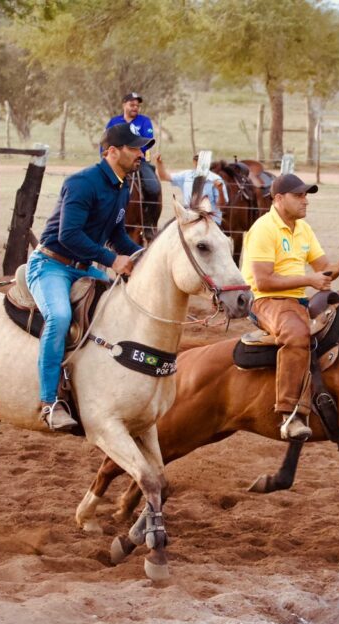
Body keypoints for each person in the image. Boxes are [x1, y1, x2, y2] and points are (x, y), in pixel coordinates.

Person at [27, 123, 145, 430]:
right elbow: (68, 235)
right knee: (60, 317)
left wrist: (141, 256)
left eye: (141, 148)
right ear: (111, 151)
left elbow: (117, 234)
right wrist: (111, 260)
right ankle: (49, 402)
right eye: (134, 148)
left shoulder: (122, 187)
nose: (141, 154)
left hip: (82, 267)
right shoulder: (82, 183)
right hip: (51, 264)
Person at [241, 173, 339, 441]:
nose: (306, 201)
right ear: (279, 199)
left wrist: (338, 267)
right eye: (299, 196)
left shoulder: (303, 228)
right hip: (265, 300)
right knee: (296, 335)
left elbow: (322, 270)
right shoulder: (263, 228)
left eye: (306, 195)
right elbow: (263, 281)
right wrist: (309, 280)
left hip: (297, 299)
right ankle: (290, 414)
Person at [105, 92, 160, 223]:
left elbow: (147, 141)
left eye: (137, 105)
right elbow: (105, 141)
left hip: (139, 162)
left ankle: (149, 223)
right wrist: (106, 156)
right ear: (124, 105)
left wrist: (132, 155)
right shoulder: (114, 122)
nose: (135, 107)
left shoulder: (144, 121)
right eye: (132, 105)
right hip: (115, 163)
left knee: (153, 187)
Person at [154, 153, 229, 225]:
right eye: (198, 160)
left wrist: (220, 190)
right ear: (194, 162)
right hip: (190, 219)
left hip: (210, 221)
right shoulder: (186, 175)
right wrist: (159, 163)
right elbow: (164, 177)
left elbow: (222, 206)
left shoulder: (215, 179)